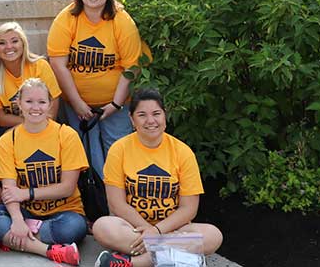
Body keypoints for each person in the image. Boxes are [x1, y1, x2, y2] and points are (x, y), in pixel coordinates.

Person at [92, 89, 225, 267]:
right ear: (132, 119)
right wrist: (148, 230)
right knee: (102, 227)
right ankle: (175, 257)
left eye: (156, 113)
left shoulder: (183, 152)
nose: (150, 121)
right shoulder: (119, 149)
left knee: (213, 236)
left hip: (173, 229)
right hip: (133, 228)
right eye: (142, 115)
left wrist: (157, 230)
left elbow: (189, 209)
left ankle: (134, 262)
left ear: (165, 116)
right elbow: (117, 204)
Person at [0, 79, 86, 265]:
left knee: (73, 228)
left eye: (42, 102)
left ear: (50, 105)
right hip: (26, 211)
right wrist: (18, 219)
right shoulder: (8, 140)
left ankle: (16, 239)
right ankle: (49, 251)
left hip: (64, 212)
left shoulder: (66, 135)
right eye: (29, 101)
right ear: (19, 103)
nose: (35, 107)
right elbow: (9, 190)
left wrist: (27, 193)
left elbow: (67, 188)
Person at [48, 0, 144, 175]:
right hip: (77, 104)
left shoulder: (121, 19)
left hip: (115, 103)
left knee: (118, 153)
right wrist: (77, 103)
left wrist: (115, 104)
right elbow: (57, 64)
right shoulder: (67, 18)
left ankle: (117, 205)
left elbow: (132, 66)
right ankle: (95, 202)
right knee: (86, 156)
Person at [0, 21, 61, 130]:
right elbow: (0, 119)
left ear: (23, 43)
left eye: (14, 41)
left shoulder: (40, 65)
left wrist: (37, 124)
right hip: (6, 127)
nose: (9, 47)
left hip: (44, 123)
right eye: (2, 43)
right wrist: (31, 123)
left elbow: (52, 108)